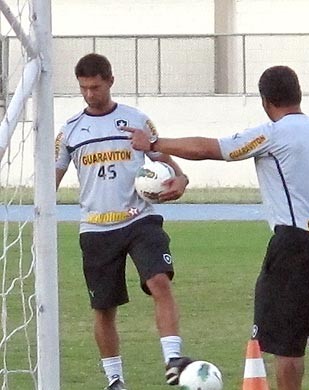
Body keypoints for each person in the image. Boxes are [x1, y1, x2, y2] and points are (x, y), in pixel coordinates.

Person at [125, 65, 309, 390]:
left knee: (286, 342)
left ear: (265, 100)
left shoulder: (272, 134)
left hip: (295, 241)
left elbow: (212, 149)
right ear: (298, 94)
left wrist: (153, 143)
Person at [55, 53, 193, 390]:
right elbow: (51, 180)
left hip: (140, 219)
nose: (90, 94)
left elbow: (167, 162)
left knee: (160, 281)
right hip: (96, 228)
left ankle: (173, 359)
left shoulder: (136, 120)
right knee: (104, 308)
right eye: (84, 88)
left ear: (110, 82)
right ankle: (115, 379)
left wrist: (182, 179)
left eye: (96, 87)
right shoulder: (70, 131)